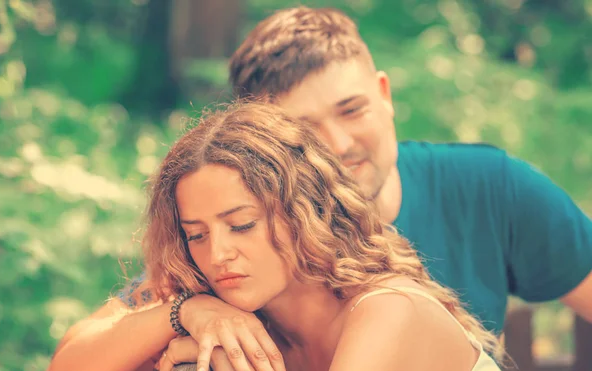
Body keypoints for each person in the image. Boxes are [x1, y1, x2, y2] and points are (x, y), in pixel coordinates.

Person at [60, 100, 527, 371]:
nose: (218, 253)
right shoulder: (230, 307)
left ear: (304, 211)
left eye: (241, 225)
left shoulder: (389, 313)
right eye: (196, 235)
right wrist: (187, 313)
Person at [226, 6, 592, 334]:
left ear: (384, 95)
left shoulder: (490, 185)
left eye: (352, 110)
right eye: (305, 130)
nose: (338, 144)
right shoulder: (239, 237)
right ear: (263, 143)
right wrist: (191, 311)